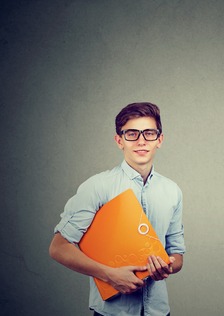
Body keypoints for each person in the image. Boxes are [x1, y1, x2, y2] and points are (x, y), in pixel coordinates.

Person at [49, 102, 185, 316]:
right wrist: (109, 275)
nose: (141, 141)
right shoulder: (96, 186)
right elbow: (58, 247)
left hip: (158, 311)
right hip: (112, 312)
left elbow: (177, 253)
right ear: (119, 140)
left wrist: (168, 266)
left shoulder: (173, 190)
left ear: (160, 140)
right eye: (132, 133)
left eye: (149, 133)